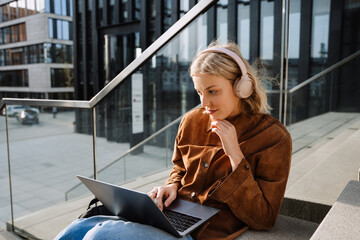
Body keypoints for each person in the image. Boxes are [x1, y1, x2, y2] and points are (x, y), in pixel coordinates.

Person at [54, 41, 291, 240]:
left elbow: (265, 217)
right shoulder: (192, 121)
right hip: (169, 217)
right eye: (199, 92)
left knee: (101, 235)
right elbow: (179, 168)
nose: (205, 103)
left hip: (201, 234)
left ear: (241, 86)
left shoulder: (273, 138)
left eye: (213, 91)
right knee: (75, 230)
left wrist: (235, 155)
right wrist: (172, 186)